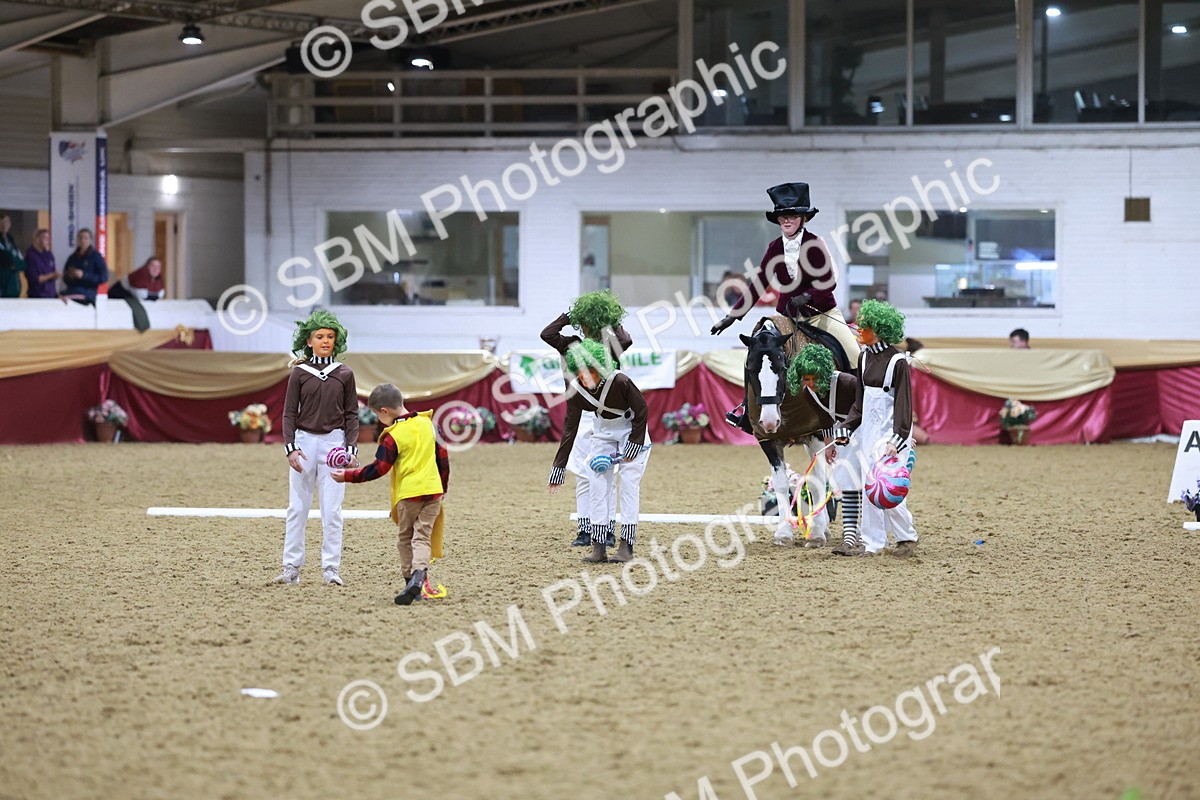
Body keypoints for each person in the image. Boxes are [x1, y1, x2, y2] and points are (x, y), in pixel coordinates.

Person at [711, 182, 860, 430]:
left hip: (820, 313)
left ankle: (861, 407)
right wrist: (732, 316)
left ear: (802, 218)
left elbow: (830, 281)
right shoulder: (774, 248)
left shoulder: (815, 243)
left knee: (853, 352)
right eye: (782, 216)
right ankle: (747, 413)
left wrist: (810, 296)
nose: (786, 220)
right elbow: (759, 283)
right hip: (788, 317)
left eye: (791, 216)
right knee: (760, 353)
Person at [334, 383, 449, 606]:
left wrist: (348, 476)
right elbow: (443, 457)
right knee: (422, 537)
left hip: (409, 494)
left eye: (378, 415)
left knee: (406, 538)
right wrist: (442, 488)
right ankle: (419, 576)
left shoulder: (392, 436)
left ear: (384, 411)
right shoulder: (428, 423)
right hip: (434, 490)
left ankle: (411, 582)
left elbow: (379, 468)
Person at [540, 289, 633, 548]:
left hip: (605, 418)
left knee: (605, 475)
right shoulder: (571, 343)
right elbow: (547, 333)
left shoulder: (608, 347)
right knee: (583, 475)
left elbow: (626, 340)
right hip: (581, 415)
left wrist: (611, 318)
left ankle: (606, 529)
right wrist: (570, 316)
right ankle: (585, 528)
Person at [275, 311, 359, 587]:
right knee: (297, 508)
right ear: (309, 341)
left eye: (330, 337)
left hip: (334, 444)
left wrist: (351, 449)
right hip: (305, 442)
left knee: (332, 511)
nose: (325, 341)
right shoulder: (299, 373)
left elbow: (351, 415)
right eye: (320, 337)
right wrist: (291, 448)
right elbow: (288, 413)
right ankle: (291, 566)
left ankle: (331, 568)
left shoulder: (345, 374)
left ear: (337, 341)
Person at [548, 339, 651, 565]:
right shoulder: (577, 391)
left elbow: (642, 409)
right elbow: (569, 428)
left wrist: (635, 441)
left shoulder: (621, 381)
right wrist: (558, 467)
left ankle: (627, 545)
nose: (585, 378)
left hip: (631, 430)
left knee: (628, 484)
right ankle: (599, 545)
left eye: (590, 372)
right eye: (581, 373)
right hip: (603, 432)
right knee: (596, 482)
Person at [834, 300, 919, 558]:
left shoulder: (898, 362)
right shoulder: (863, 358)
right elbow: (859, 404)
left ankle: (907, 537)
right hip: (868, 433)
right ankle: (873, 543)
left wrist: (898, 438)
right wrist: (846, 428)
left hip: (892, 435)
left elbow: (904, 405)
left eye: (865, 327)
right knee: (870, 487)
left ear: (879, 330)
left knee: (890, 487)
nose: (859, 331)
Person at [788, 343, 863, 556]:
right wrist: (829, 443)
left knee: (864, 480)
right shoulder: (806, 393)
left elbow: (863, 408)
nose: (811, 384)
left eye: (814, 379)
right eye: (806, 379)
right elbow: (824, 419)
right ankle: (851, 532)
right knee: (845, 480)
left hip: (861, 428)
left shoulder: (848, 383)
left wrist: (850, 432)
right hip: (840, 434)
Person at [62, 228, 108, 305]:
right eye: (80, 238)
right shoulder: (72, 257)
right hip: (72, 290)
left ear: (90, 240)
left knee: (64, 297)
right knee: (56, 297)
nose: (83, 240)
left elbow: (103, 277)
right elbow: (65, 276)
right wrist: (70, 276)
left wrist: (84, 275)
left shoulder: (96, 257)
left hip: (88, 293)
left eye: (86, 238)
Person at [23, 229, 59, 299]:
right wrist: (51, 275)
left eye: (48, 238)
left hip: (51, 294)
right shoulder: (30, 256)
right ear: (36, 239)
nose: (48, 241)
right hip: (37, 295)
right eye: (45, 238)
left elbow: (53, 272)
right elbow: (35, 278)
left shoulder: (49, 255)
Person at [0, 213, 24, 298]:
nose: (4, 225)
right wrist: (13, 262)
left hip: (13, 286)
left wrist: (15, 264)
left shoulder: (11, 240)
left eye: (6, 222)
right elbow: (5, 259)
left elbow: (23, 263)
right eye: (1, 222)